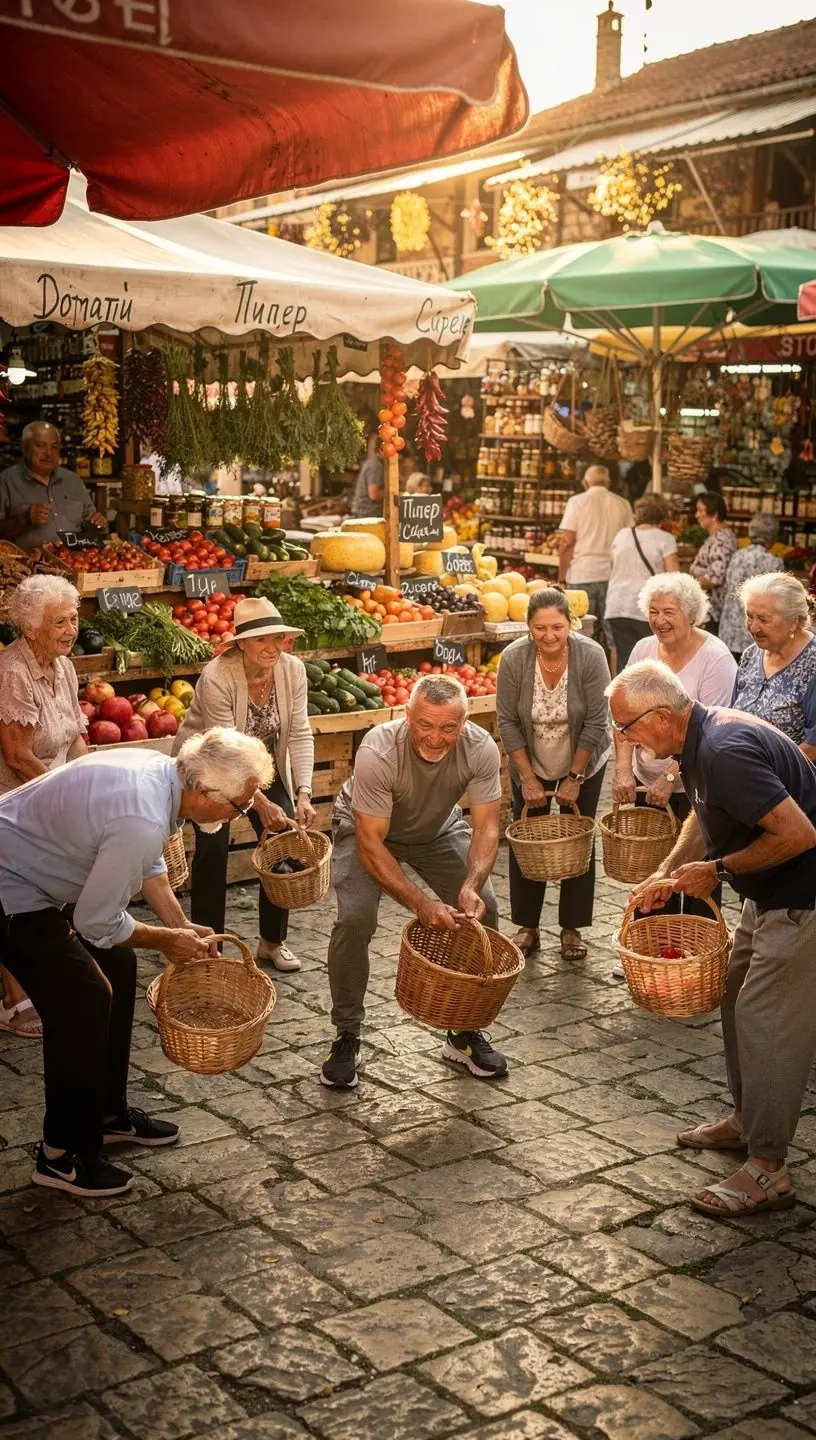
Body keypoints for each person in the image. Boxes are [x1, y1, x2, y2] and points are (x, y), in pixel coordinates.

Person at [0, 728, 273, 1199]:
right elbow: (97, 922)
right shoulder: (144, 816)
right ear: (205, 791)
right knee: (84, 997)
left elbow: (149, 869)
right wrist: (168, 939)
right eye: (240, 806)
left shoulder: (164, 779)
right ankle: (60, 1156)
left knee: (120, 968)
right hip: (11, 888)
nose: (240, 815)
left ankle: (106, 1114)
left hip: (36, 870)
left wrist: (179, 929)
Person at [608, 659, 816, 1219]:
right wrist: (667, 871)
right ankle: (749, 1124)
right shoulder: (698, 744)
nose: (621, 737)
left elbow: (799, 833)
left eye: (624, 726)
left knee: (764, 1020)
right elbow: (703, 819)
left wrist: (717, 872)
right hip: (766, 893)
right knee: (735, 994)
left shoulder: (724, 750)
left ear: (660, 716)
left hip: (801, 897)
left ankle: (769, 1171)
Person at [322, 674, 506, 1088]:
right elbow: (371, 844)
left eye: (448, 727)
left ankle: (463, 1033)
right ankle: (346, 1032)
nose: (436, 738)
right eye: (425, 724)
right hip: (367, 830)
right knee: (355, 918)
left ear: (465, 721)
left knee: (487, 910)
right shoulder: (378, 749)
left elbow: (487, 828)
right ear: (406, 716)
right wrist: (423, 905)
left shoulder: (480, 748)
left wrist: (471, 884)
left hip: (438, 831)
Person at [173, 598, 315, 973]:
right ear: (241, 644)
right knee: (213, 849)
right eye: (260, 640)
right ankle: (209, 945)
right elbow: (224, 749)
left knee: (280, 841)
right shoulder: (217, 676)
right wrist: (259, 803)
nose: (271, 647)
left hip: (261, 766)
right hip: (211, 766)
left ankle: (271, 941)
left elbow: (299, 732)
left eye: (278, 638)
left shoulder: (293, 671)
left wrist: (303, 792)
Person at [611, 572, 736, 921]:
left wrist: (668, 778)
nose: (659, 620)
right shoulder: (642, 649)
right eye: (653, 611)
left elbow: (710, 730)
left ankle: (696, 954)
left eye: (669, 611)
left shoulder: (716, 658)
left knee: (695, 876)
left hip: (697, 782)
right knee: (653, 874)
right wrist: (623, 770)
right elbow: (621, 714)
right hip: (644, 778)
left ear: (691, 614)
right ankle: (649, 951)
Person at [496, 587, 611, 961]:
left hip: (583, 758)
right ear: (528, 627)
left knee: (579, 840)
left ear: (570, 624)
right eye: (540, 628)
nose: (549, 636)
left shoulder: (590, 655)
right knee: (527, 838)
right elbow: (508, 722)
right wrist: (527, 778)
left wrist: (575, 778)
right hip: (531, 758)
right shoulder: (514, 658)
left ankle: (572, 928)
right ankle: (527, 925)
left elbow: (596, 720)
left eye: (557, 628)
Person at [0, 575, 89, 1038]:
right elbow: (15, 754)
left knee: (47, 893)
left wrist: (91, 782)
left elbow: (74, 735)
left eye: (74, 619)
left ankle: (46, 976)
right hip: (12, 800)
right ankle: (14, 998)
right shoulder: (12, 670)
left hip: (48, 792)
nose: (70, 630)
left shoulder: (65, 668)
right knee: (14, 897)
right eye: (59, 622)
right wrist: (66, 792)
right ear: (31, 627)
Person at [731, 572, 816, 761]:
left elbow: (813, 746)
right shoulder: (751, 654)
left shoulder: (813, 664)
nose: (753, 627)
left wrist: (762, 773)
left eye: (763, 619)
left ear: (793, 622)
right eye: (749, 616)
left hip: (790, 784)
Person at [0, 421, 107, 551]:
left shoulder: (73, 480)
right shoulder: (6, 481)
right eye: (41, 446)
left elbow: (90, 522)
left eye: (54, 447)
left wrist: (97, 523)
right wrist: (24, 519)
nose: (49, 453)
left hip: (75, 562)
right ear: (25, 448)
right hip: (27, 566)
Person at [557, 463, 633, 645]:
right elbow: (630, 541)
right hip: (612, 576)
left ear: (585, 483)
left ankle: (581, 673)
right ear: (608, 482)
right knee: (613, 637)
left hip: (582, 575)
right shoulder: (623, 503)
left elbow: (567, 543)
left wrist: (561, 577)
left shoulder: (576, 502)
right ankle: (613, 672)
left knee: (579, 634)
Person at [604, 495, 679, 670]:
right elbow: (674, 577)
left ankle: (626, 696)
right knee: (651, 660)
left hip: (617, 605)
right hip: (647, 608)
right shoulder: (665, 538)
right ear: (661, 516)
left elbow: (613, 566)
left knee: (626, 660)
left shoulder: (621, 535)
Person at [718, 514, 783, 660]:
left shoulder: (737, 556)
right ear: (772, 537)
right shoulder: (773, 562)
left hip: (729, 631)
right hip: (754, 635)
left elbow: (727, 586)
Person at [689, 491, 736, 633]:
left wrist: (687, 586)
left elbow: (715, 577)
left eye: (700, 511)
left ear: (714, 514)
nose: (696, 515)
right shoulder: (717, 537)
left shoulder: (721, 539)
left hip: (713, 612)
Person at [350, 433, 385, 519]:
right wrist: (391, 492)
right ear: (381, 449)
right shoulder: (375, 465)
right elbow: (373, 494)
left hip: (365, 512)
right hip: (367, 513)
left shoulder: (372, 462)